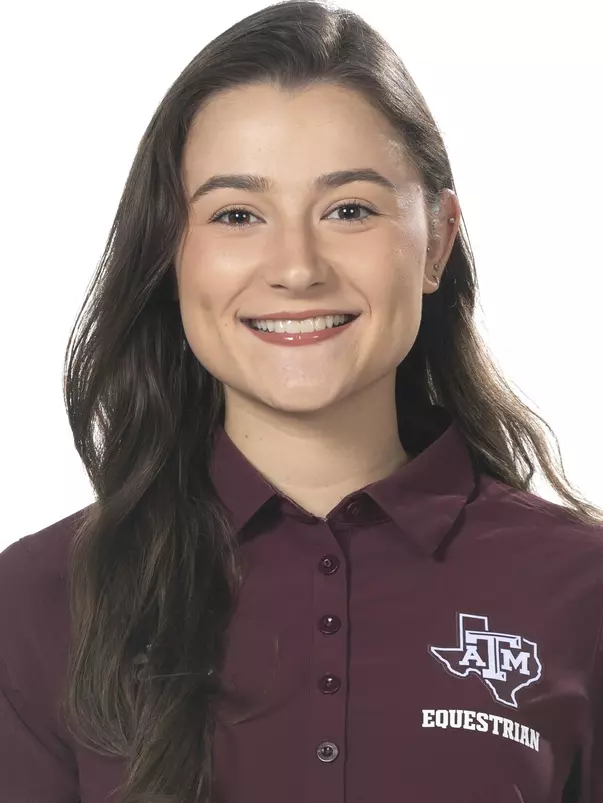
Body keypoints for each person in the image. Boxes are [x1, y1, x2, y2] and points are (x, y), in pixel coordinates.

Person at [1, 1, 602, 801]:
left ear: (437, 241)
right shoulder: (37, 600)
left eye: (348, 209)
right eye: (236, 214)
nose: (294, 266)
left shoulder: (580, 587)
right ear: (171, 253)